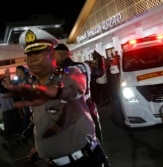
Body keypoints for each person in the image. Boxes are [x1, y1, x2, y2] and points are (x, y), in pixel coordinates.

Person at [4, 27, 106, 167]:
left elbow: (75, 87)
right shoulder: (36, 84)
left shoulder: (69, 73)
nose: (32, 58)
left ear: (53, 55)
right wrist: (39, 147)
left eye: (38, 52)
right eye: (28, 54)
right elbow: (42, 121)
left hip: (82, 161)